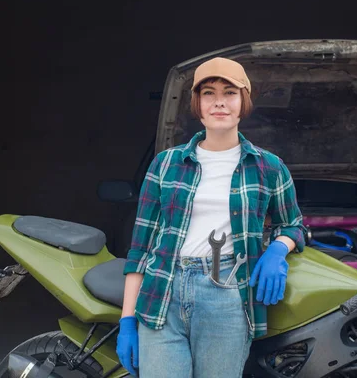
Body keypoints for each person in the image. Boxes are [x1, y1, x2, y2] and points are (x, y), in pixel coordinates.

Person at [116, 57, 306, 378]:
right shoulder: (165, 164)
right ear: (197, 104)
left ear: (243, 101)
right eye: (208, 93)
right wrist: (127, 321)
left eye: (229, 92)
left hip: (227, 296)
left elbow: (294, 225)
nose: (219, 101)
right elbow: (141, 249)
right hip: (163, 291)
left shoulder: (269, 167)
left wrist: (278, 249)